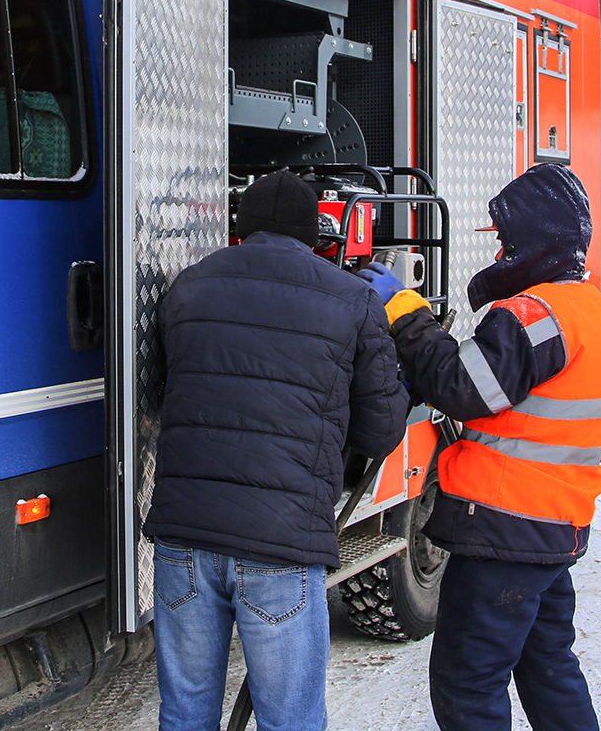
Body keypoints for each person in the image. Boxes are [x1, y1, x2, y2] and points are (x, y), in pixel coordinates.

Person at [143, 169, 409, 731]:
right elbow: (382, 432)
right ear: (315, 233)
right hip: (282, 544)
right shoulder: (353, 300)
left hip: (183, 537)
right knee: (289, 719)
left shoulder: (186, 287)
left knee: (185, 710)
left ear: (241, 226)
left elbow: (161, 393)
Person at [362, 163, 601, 731]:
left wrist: (407, 315)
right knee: (548, 665)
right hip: (553, 529)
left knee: (467, 685)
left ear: (535, 238)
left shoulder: (533, 314)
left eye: (507, 239)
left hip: (505, 531)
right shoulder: (590, 310)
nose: (500, 250)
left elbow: (464, 387)